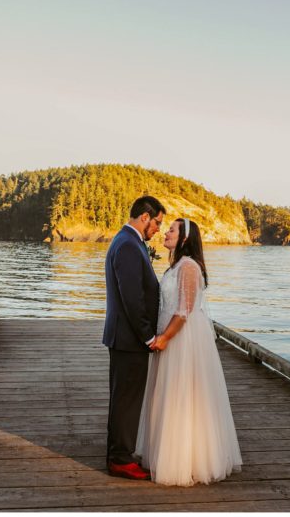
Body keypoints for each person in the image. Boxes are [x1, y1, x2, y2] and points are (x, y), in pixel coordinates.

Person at [136, 218, 242, 486]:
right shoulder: (175, 267)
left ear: (184, 239)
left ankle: (187, 461)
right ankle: (168, 453)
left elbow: (184, 311)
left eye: (172, 229)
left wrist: (164, 339)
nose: (166, 232)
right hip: (169, 334)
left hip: (181, 340)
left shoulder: (189, 267)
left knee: (183, 398)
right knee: (168, 396)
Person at [102, 195, 165, 480]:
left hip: (125, 337)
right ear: (144, 217)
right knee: (126, 400)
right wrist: (149, 336)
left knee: (124, 398)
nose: (158, 230)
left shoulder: (129, 242)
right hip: (129, 338)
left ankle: (119, 453)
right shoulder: (128, 245)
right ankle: (119, 460)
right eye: (157, 223)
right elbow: (132, 298)